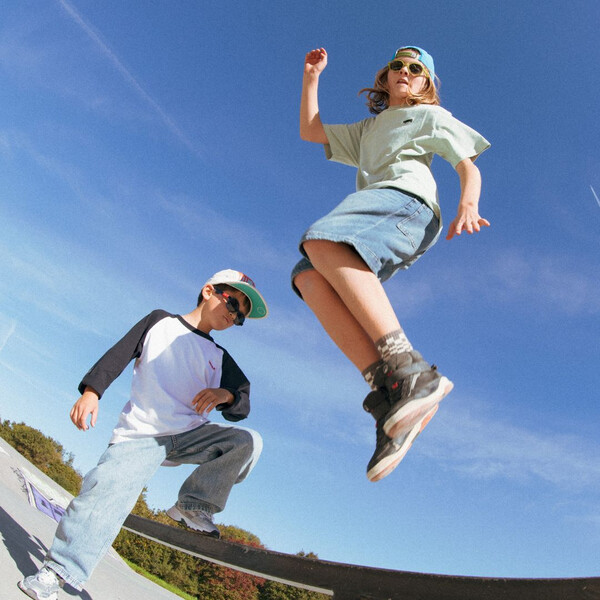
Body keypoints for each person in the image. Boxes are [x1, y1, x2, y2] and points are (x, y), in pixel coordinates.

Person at [292, 46, 490, 482]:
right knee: (308, 276)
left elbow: (467, 165)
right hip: (377, 213)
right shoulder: (369, 128)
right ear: (385, 77)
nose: (405, 72)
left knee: (322, 239)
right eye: (397, 66)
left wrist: (469, 204)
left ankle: (409, 368)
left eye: (415, 69)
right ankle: (389, 397)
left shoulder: (430, 116)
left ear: (425, 84)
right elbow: (311, 131)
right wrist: (312, 78)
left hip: (407, 205)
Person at [18, 269, 268, 600]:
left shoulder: (220, 357)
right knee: (103, 495)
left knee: (248, 442)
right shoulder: (160, 322)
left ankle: (193, 505)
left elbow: (243, 400)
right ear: (209, 291)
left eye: (240, 317)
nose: (233, 316)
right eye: (233, 304)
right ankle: (58, 571)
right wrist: (92, 391)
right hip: (143, 434)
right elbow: (119, 354)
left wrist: (226, 395)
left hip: (191, 434)